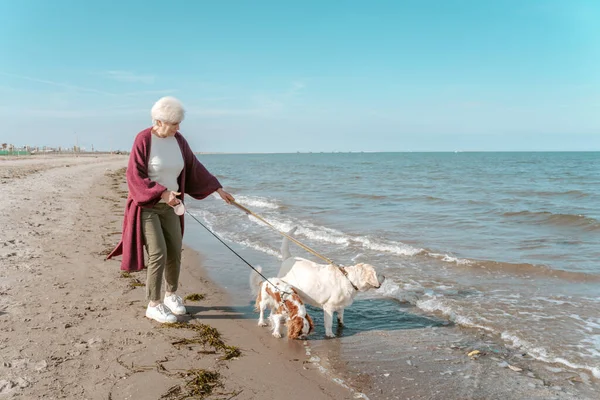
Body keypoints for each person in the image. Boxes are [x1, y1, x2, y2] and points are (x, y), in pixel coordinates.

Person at [107, 96, 234, 323]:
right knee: (158, 253)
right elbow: (134, 176)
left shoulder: (179, 140)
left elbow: (194, 166)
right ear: (159, 121)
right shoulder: (144, 139)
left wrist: (217, 188)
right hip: (148, 207)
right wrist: (161, 192)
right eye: (174, 123)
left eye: (178, 122)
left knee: (175, 250)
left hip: (172, 207)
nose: (178, 127)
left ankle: (171, 295)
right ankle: (153, 304)